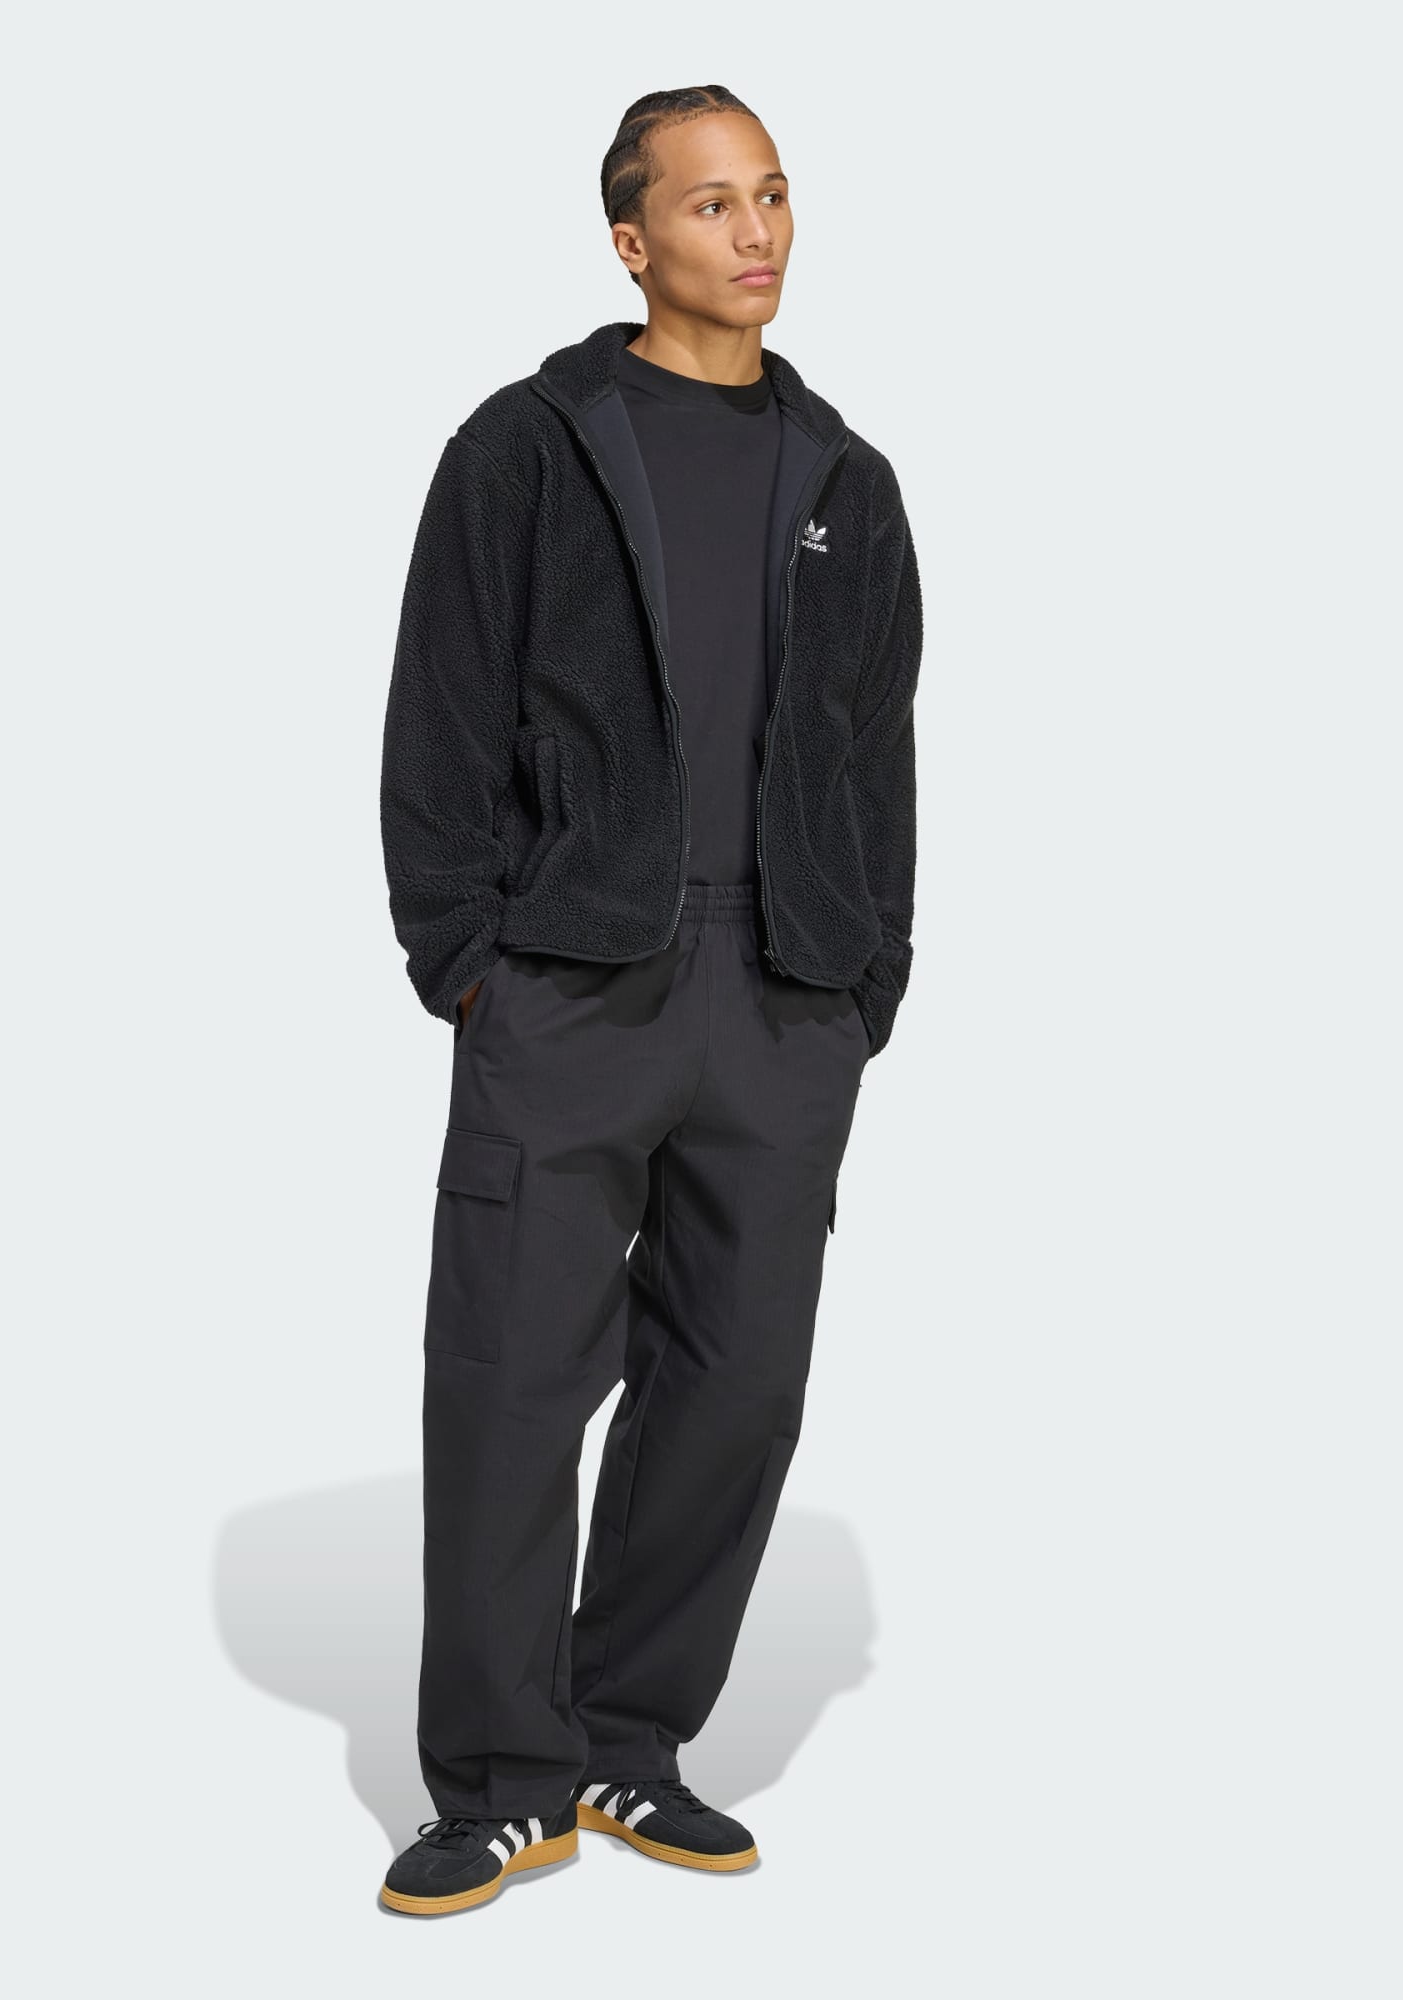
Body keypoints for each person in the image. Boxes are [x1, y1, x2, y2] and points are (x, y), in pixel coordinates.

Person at [375, 83, 922, 1917]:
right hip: (572, 982)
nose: (755, 232)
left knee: (739, 1382)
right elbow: (441, 715)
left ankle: (628, 1739)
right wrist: (464, 954)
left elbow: (873, 746)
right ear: (631, 241)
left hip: (785, 990)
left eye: (772, 195)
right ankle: (498, 1783)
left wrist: (868, 975)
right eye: (709, 204)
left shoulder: (847, 478)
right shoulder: (528, 449)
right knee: (512, 1382)